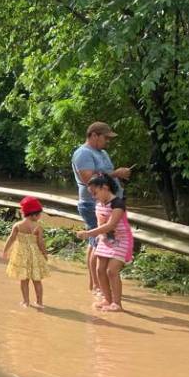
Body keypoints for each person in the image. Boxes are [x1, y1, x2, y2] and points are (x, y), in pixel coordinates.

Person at [71, 121, 131, 297]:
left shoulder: (102, 153)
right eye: (105, 137)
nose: (107, 141)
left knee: (97, 242)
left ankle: (96, 284)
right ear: (94, 135)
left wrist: (119, 177)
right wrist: (116, 173)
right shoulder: (83, 153)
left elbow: (106, 176)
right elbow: (89, 179)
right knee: (99, 242)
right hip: (93, 203)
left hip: (109, 203)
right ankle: (98, 285)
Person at [76, 174, 134, 312]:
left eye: (95, 193)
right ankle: (107, 299)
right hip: (105, 239)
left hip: (121, 240)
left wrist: (89, 234)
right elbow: (100, 223)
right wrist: (99, 236)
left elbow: (110, 225)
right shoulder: (99, 205)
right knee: (99, 270)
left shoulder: (118, 204)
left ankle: (117, 303)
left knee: (111, 271)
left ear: (105, 188)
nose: (93, 197)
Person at [3, 196, 49, 308]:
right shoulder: (38, 227)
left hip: (21, 255)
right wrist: (44, 253)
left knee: (24, 280)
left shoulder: (17, 225)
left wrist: (5, 250)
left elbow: (11, 238)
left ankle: (26, 302)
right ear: (33, 215)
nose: (40, 216)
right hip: (34, 255)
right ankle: (39, 302)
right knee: (37, 280)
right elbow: (40, 243)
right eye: (39, 214)